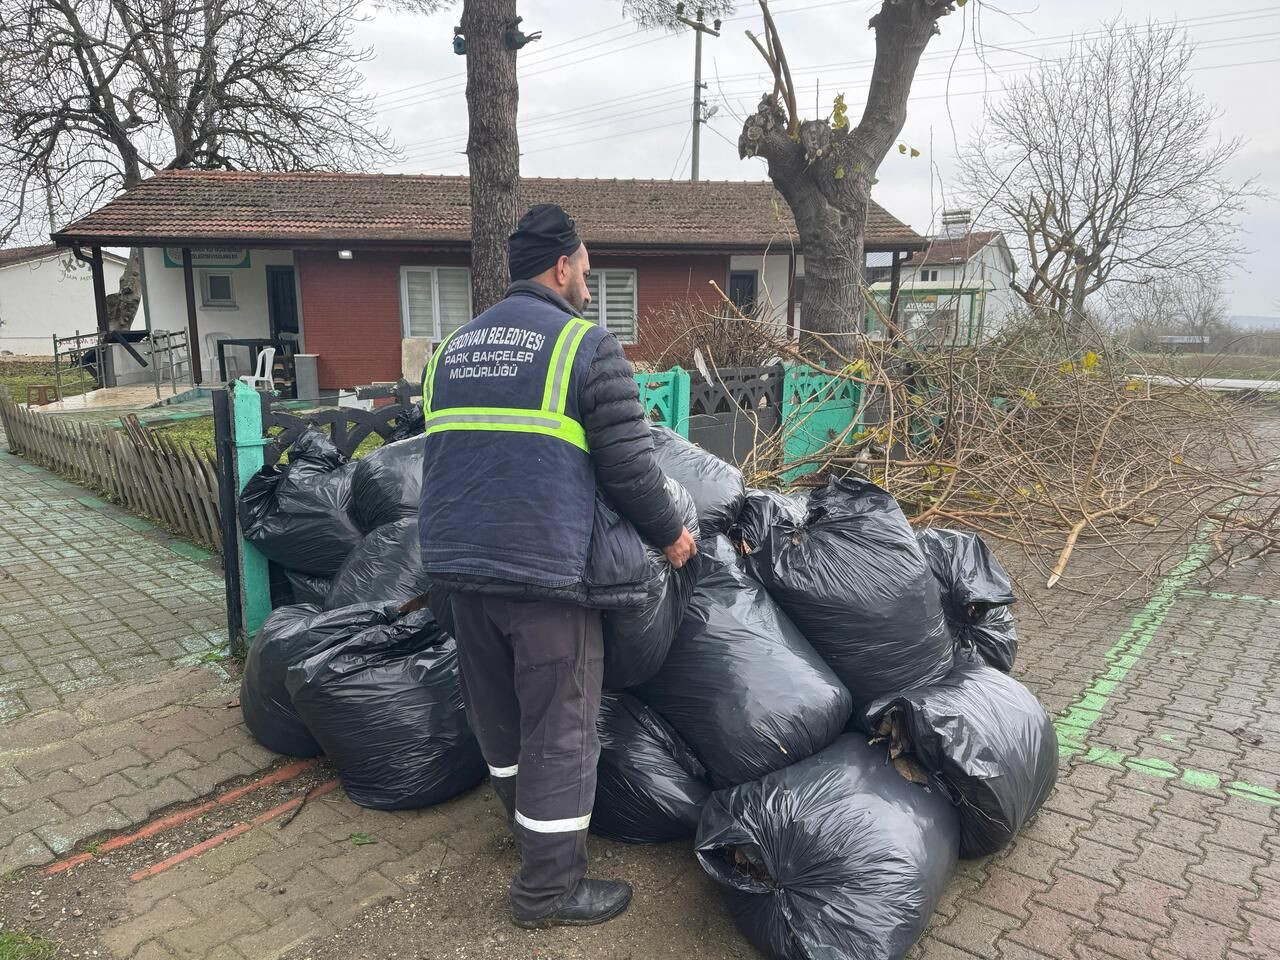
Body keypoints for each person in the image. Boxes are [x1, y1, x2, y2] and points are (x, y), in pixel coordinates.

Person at [418, 203, 697, 929]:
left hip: (457, 569)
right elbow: (632, 470)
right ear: (562, 266)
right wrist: (671, 537)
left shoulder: (451, 349)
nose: (588, 284)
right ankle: (549, 890)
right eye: (585, 269)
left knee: (500, 721)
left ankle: (527, 834)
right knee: (562, 730)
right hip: (544, 576)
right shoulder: (584, 346)